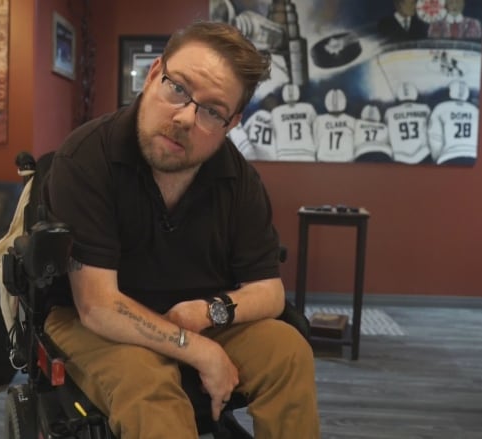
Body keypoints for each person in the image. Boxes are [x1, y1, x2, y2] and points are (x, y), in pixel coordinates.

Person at [42, 20, 320, 439]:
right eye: (178, 88)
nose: (186, 117)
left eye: (211, 111)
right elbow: (98, 306)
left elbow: (269, 291)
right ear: (154, 73)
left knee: (288, 350)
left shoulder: (239, 181)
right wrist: (199, 350)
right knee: (148, 383)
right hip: (91, 318)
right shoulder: (86, 159)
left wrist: (209, 311)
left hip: (196, 316)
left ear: (232, 124)